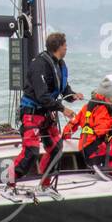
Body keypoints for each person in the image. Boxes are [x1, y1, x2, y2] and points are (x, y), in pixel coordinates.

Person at [8, 32, 83, 188]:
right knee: (32, 152)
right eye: (65, 45)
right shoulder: (39, 65)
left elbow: (64, 89)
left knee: (56, 149)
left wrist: (73, 95)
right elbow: (42, 96)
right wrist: (63, 109)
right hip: (31, 114)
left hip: (46, 115)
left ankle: (45, 184)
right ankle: (9, 183)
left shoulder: (60, 64)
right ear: (59, 47)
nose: (67, 48)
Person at [63, 75, 112, 169]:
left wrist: (64, 136)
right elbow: (101, 130)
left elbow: (73, 123)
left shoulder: (89, 106)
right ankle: (110, 168)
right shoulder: (102, 108)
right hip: (95, 151)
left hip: (86, 150)